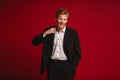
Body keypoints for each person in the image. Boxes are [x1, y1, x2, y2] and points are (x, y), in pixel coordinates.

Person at [32, 8, 82, 80]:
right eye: (60, 19)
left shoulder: (73, 33)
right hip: (52, 65)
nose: (62, 22)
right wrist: (45, 33)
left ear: (67, 20)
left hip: (66, 66)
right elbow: (34, 42)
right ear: (55, 19)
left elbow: (78, 54)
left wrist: (71, 67)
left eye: (65, 19)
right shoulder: (49, 30)